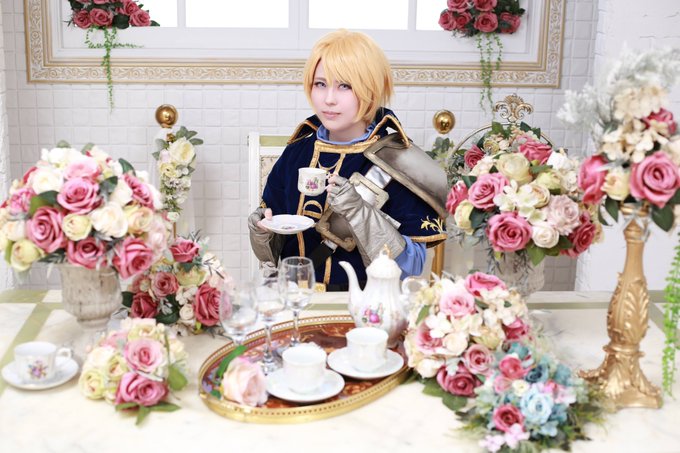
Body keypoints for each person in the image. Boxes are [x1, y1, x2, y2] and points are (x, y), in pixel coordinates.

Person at [248, 29, 448, 291]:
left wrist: (358, 211)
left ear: (371, 89)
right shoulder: (296, 151)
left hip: (366, 304)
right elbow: (274, 253)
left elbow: (411, 266)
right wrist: (262, 230)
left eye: (345, 86)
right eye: (320, 84)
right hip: (296, 299)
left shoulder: (402, 162)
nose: (329, 99)